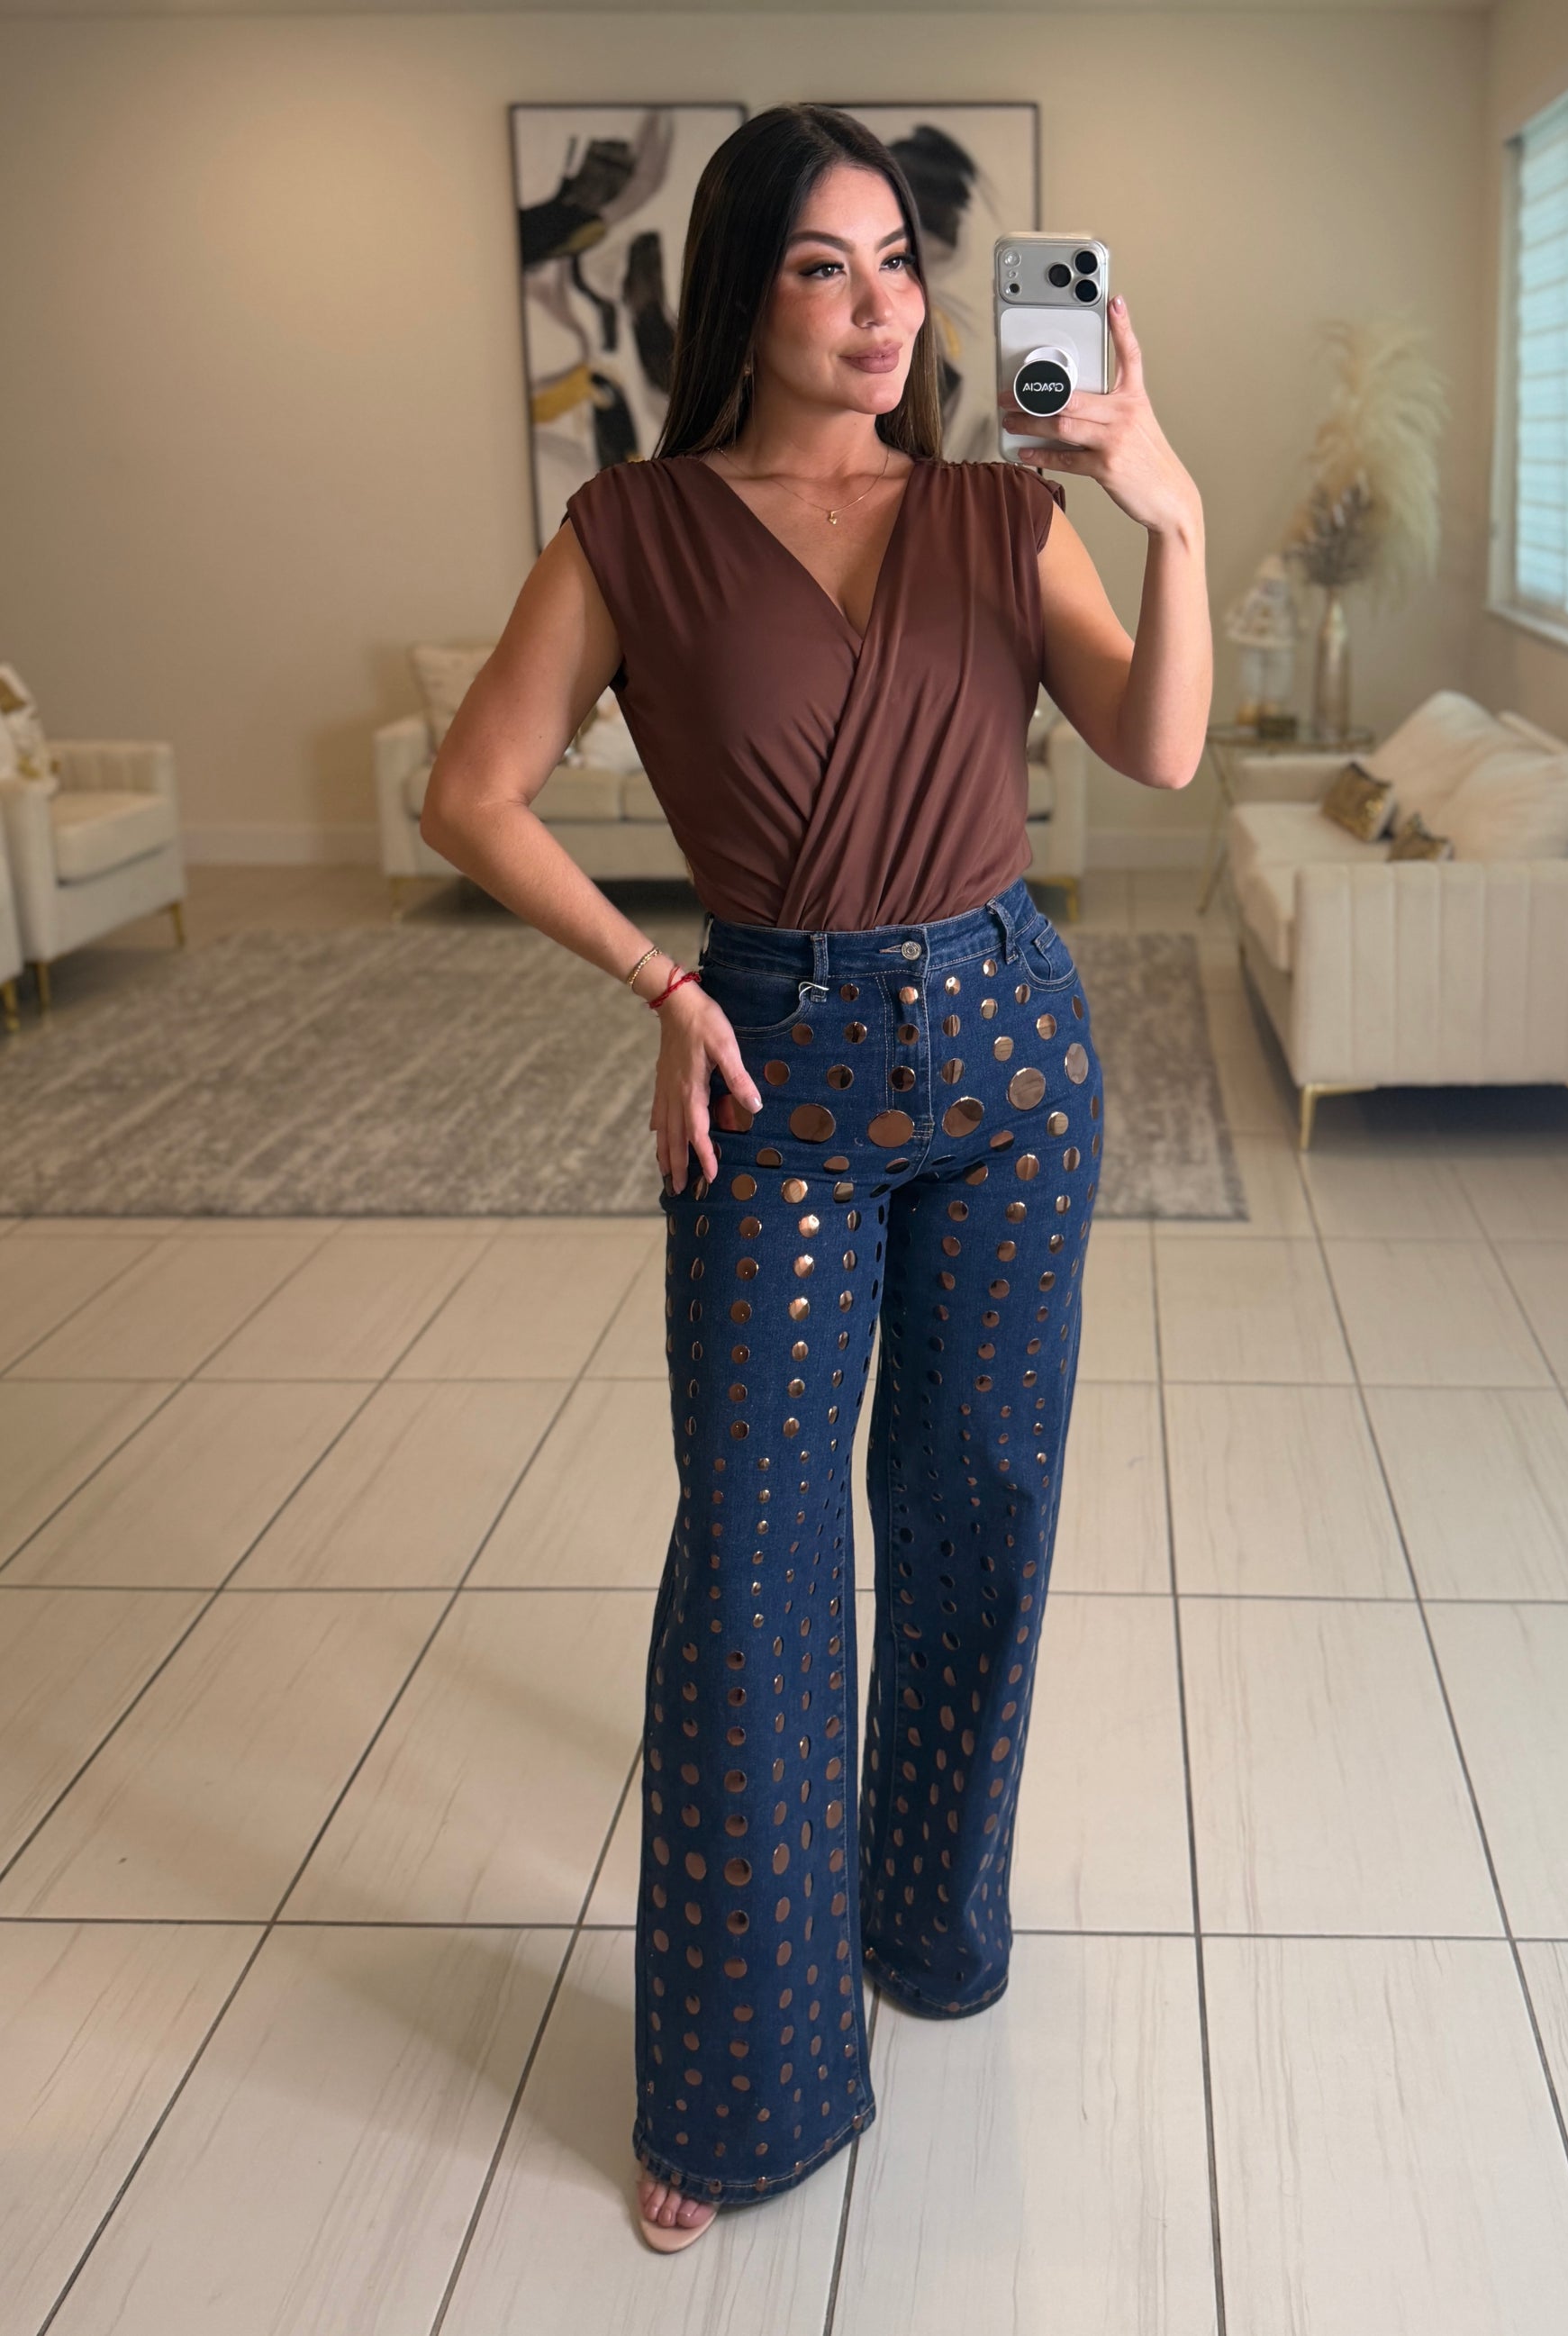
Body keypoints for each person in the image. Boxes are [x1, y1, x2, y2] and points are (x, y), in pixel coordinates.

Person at [419, 102, 1210, 2256]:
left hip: (1013, 1058)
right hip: (775, 1064)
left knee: (977, 1507)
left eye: (896, 266)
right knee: (757, 1564)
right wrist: (657, 982)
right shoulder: (635, 531)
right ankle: (740, 2077)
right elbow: (471, 792)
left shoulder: (997, 510)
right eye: (821, 266)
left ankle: (926, 1922)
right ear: (740, 293)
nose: (879, 309)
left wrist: (1164, 511)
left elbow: (1155, 748)